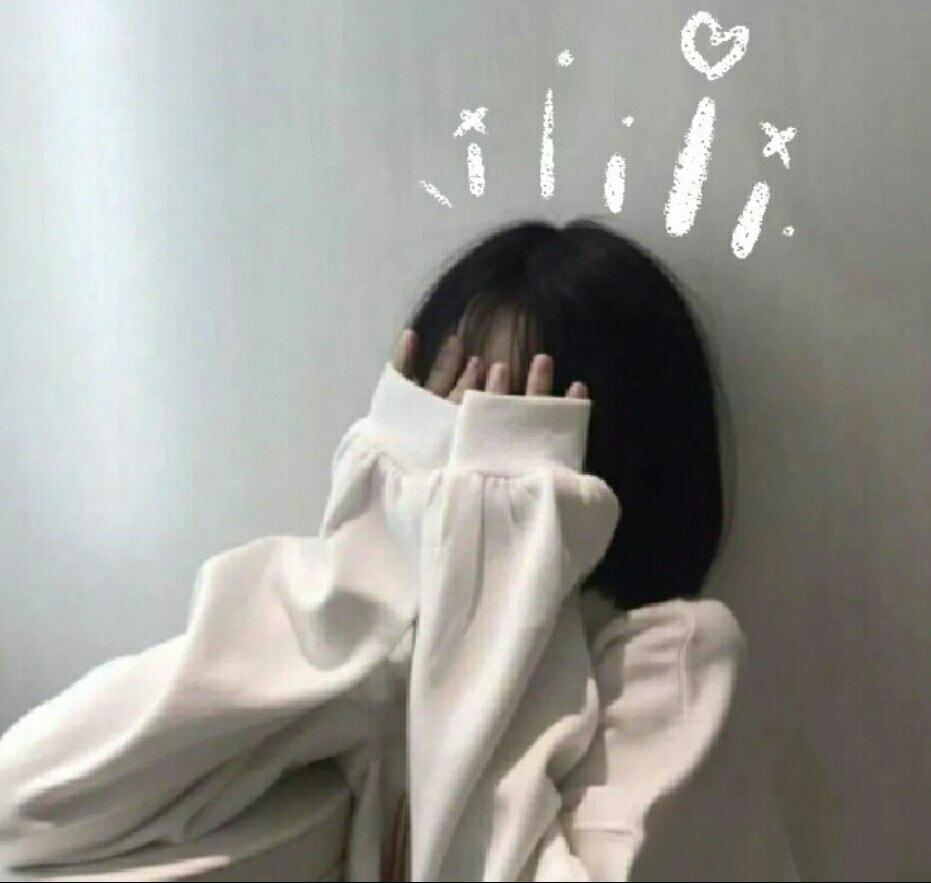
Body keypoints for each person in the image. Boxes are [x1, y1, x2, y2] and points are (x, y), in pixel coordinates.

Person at [0, 219, 798, 882]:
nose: (462, 487)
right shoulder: (384, 671)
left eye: (514, 432)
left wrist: (500, 565)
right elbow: (24, 807)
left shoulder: (676, 659)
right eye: (447, 422)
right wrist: (371, 563)